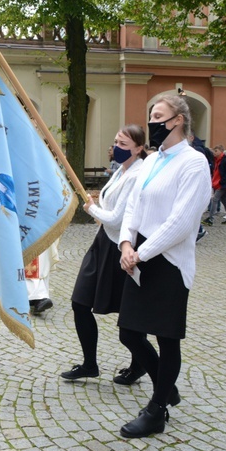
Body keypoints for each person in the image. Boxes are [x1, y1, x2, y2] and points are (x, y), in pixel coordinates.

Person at [117, 95, 211, 438]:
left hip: (168, 262)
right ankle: (165, 386)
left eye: (158, 116)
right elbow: (133, 206)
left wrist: (141, 252)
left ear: (178, 121)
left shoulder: (193, 162)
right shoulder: (153, 159)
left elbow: (182, 222)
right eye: (151, 115)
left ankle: (157, 411)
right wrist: (126, 243)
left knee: (167, 338)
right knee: (129, 332)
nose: (152, 122)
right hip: (138, 258)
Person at [61, 124, 147, 386]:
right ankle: (90, 364)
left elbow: (117, 219)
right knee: (80, 302)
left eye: (124, 145)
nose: (117, 148)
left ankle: (139, 366)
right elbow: (109, 208)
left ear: (139, 148)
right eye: (116, 142)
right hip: (103, 243)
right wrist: (96, 203)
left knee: (130, 314)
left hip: (122, 247)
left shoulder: (137, 175)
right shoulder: (122, 170)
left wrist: (91, 209)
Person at [201, 145, 226, 226]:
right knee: (225, 201)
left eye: (216, 151)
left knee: (214, 200)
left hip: (221, 184)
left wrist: (222, 182)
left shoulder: (225, 161)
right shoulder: (217, 160)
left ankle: (210, 219)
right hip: (218, 184)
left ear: (221, 151)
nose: (214, 153)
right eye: (214, 151)